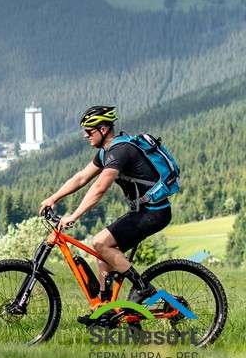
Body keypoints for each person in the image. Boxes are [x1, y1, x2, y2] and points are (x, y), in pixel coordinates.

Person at [38, 105, 170, 317]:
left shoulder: (120, 151)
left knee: (100, 242)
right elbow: (81, 177)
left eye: (89, 131)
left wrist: (74, 216)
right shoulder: (106, 152)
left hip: (154, 213)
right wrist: (53, 198)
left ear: (103, 129)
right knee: (103, 251)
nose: (85, 136)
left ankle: (142, 286)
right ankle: (106, 308)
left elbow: (99, 188)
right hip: (142, 210)